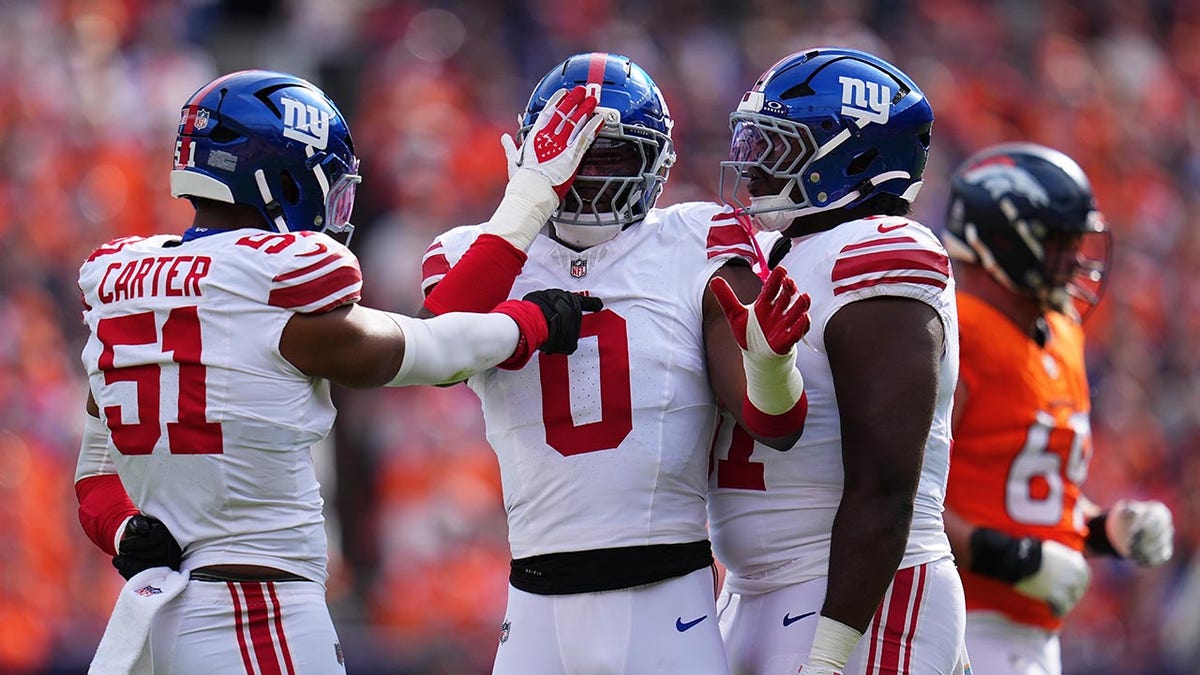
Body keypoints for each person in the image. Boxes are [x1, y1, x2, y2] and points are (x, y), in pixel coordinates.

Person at [74, 69, 604, 672]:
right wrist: (527, 318)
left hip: (156, 623)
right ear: (282, 178)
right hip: (256, 614)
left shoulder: (120, 284)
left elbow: (94, 478)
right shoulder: (268, 281)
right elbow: (431, 348)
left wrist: (124, 532)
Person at [418, 52, 812, 674]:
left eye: (615, 158)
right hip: (533, 597)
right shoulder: (473, 251)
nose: (594, 178)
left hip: (665, 592)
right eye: (575, 157)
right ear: (531, 155)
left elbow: (777, 426)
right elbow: (441, 350)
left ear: (654, 164)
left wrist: (769, 366)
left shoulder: (695, 238)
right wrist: (525, 204)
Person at [707, 47, 970, 674]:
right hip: (752, 592)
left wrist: (828, 657)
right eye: (754, 142)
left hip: (863, 597)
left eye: (778, 147)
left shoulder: (879, 254)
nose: (752, 168)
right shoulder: (780, 250)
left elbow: (884, 490)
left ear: (854, 154)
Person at [939, 141, 1175, 674]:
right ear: (1001, 239)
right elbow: (897, 497)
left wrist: (1104, 527)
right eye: (1059, 243)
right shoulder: (957, 330)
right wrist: (1014, 559)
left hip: (1032, 634)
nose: (1076, 260)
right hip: (955, 620)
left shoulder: (1059, 335)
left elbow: (1029, 498)